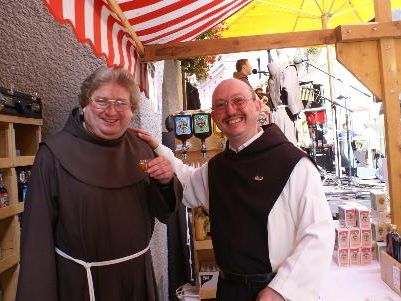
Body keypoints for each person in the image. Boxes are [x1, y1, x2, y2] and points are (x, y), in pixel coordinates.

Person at [136, 78, 334, 301]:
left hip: (276, 291)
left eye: (238, 101)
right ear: (214, 118)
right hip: (229, 290)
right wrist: (158, 148)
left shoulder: (294, 163)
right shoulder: (218, 167)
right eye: (220, 105)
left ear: (258, 106)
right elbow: (186, 183)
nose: (230, 110)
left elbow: (320, 233)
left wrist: (281, 290)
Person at [16, 66, 180, 301]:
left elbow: (165, 213)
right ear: (85, 104)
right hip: (82, 285)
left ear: (132, 109)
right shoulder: (52, 155)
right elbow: (36, 241)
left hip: (136, 281)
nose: (111, 111)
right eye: (101, 100)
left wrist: (166, 182)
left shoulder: (142, 148)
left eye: (121, 103)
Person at [267, 53, 304, 145]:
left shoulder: (274, 70)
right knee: (289, 147)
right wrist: (296, 111)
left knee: (278, 146)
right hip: (286, 113)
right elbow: (289, 88)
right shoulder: (288, 68)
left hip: (275, 113)